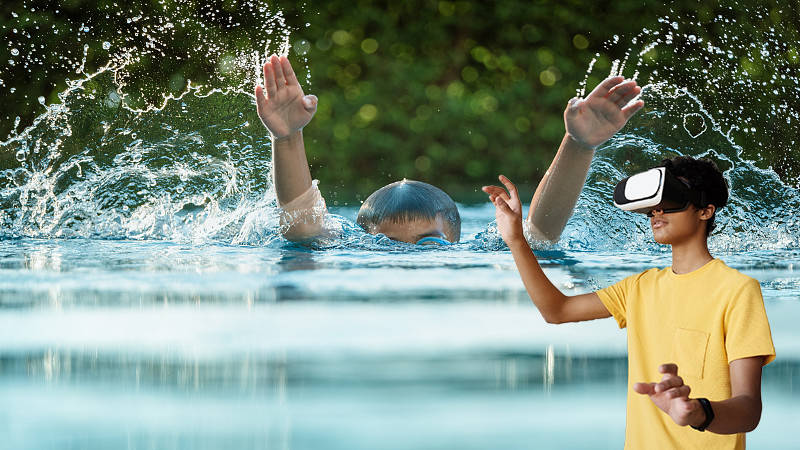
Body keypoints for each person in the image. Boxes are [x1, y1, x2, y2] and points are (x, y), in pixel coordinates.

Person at [483, 156, 775, 448]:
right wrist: (516, 240)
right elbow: (556, 310)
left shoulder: (737, 290)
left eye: (672, 198)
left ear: (705, 211)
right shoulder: (639, 288)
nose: (657, 211)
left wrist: (697, 412)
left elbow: (749, 411)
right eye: (653, 204)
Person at [254, 54, 643, 244]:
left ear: (455, 242)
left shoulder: (476, 255)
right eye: (389, 248)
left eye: (426, 246)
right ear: (364, 240)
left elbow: (536, 237)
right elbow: (303, 227)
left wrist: (578, 146)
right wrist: (287, 138)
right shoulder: (343, 253)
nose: (406, 264)